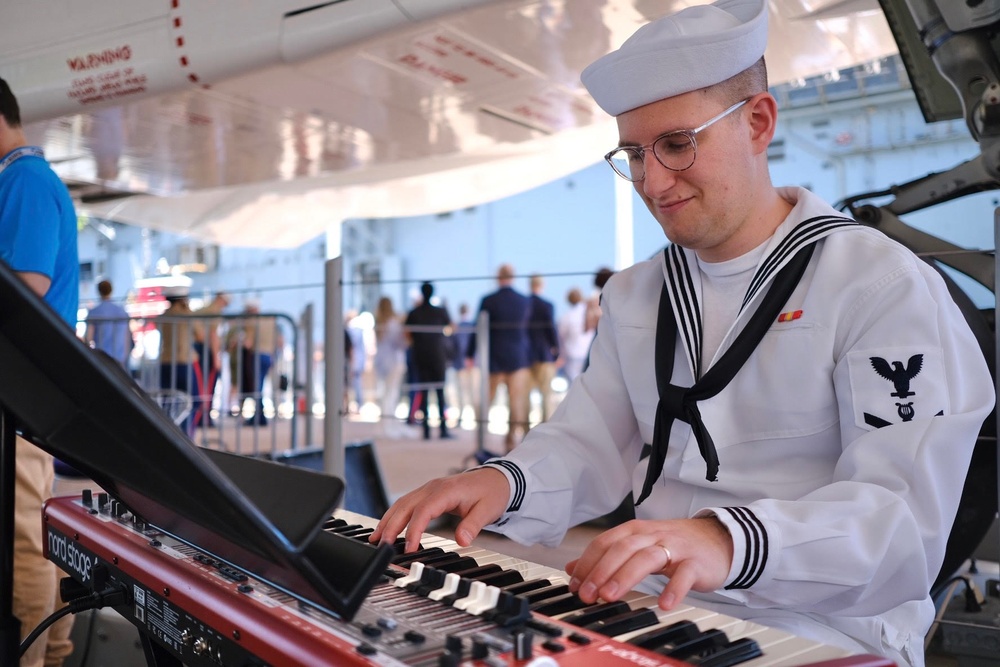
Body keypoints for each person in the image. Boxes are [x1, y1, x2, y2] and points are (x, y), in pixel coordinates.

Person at [370, 4, 995, 666]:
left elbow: (901, 521)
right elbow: (589, 442)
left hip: (827, 626)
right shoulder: (638, 292)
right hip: (657, 607)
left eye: (676, 144)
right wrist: (505, 483)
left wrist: (723, 540)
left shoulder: (879, 284)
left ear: (758, 122)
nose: (651, 182)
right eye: (634, 154)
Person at [1, 75, 78, 667]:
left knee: (21, 541)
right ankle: (51, 654)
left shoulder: (24, 179)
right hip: (28, 388)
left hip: (18, 388)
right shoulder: (28, 178)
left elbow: (26, 288)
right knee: (32, 533)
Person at [466, 263, 532, 451]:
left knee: (486, 402)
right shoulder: (524, 301)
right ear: (513, 277)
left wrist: (470, 354)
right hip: (518, 359)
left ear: (498, 277)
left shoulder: (488, 300)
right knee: (516, 406)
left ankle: (481, 442)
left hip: (493, 359)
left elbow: (478, 330)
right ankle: (510, 445)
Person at [404, 282, 454, 440]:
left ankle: (426, 431)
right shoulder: (440, 311)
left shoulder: (414, 312)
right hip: (437, 356)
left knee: (424, 393)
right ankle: (443, 430)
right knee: (440, 392)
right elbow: (452, 327)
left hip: (421, 356)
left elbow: (407, 334)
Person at [157, 285, 199, 435]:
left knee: (168, 402)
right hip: (184, 361)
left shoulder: (162, 316)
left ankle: (169, 434)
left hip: (165, 361)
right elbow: (200, 334)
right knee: (192, 399)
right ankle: (187, 434)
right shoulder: (186, 315)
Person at [525, 274, 560, 425]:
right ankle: (545, 428)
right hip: (544, 355)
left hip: (526, 356)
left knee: (525, 396)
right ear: (542, 285)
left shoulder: (523, 304)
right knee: (546, 395)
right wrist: (556, 349)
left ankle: (525, 431)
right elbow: (550, 329)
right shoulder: (547, 305)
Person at [191, 291, 229, 427]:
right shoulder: (214, 311)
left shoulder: (204, 308)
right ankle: (204, 418)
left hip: (197, 348)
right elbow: (213, 335)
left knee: (201, 385)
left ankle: (201, 417)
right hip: (205, 350)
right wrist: (216, 357)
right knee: (208, 386)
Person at [373, 296, 408, 435]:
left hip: (382, 362)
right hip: (393, 362)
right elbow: (400, 343)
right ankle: (389, 427)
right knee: (391, 395)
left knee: (386, 394)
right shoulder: (393, 323)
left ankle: (387, 425)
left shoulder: (379, 323)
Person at [85, 279, 132, 369]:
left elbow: (88, 338)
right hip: (119, 357)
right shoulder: (121, 312)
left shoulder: (94, 312)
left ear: (98, 291)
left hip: (102, 357)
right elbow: (127, 337)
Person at [557, 287, 593, 382]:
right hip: (587, 353)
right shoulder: (589, 313)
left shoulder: (566, 316)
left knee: (573, 384)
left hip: (572, 355)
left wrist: (561, 355)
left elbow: (561, 336)